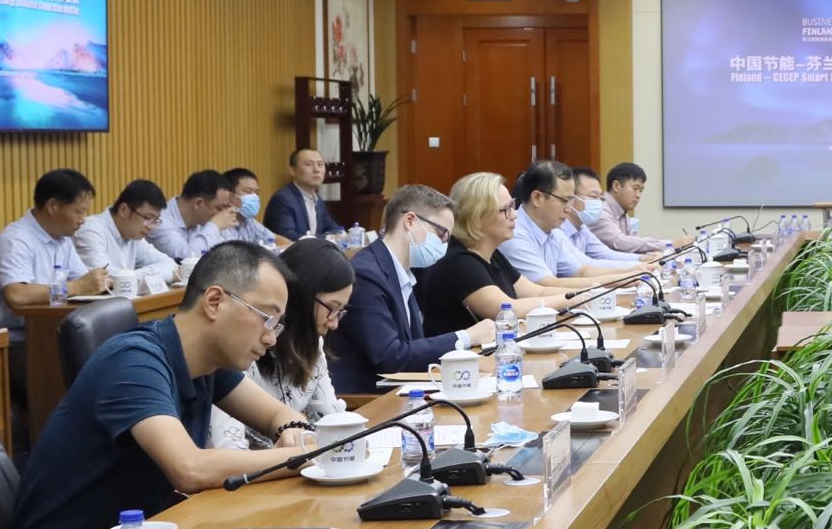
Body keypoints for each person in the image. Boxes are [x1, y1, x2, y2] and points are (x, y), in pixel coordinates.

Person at [10, 243, 320, 529]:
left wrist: (293, 429)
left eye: (276, 325)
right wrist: (302, 455)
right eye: (266, 318)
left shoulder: (208, 362)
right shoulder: (134, 362)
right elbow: (189, 468)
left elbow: (277, 414)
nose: (271, 339)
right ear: (214, 302)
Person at [329, 185, 492, 396]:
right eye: (441, 234)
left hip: (401, 392)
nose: (443, 245)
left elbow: (413, 347)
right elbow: (390, 357)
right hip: (367, 400)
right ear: (410, 221)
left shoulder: (401, 272)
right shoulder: (366, 274)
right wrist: (466, 336)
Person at [211, 238, 350, 449]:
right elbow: (228, 447)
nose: (334, 323)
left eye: (340, 312)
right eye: (332, 308)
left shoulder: (312, 345)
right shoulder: (239, 347)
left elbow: (330, 422)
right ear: (302, 295)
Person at [417, 171, 573, 336]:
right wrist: (576, 299)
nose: (514, 215)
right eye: (505, 209)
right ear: (476, 217)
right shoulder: (459, 262)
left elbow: (537, 292)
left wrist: (585, 293)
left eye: (512, 205)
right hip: (459, 352)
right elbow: (509, 309)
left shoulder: (492, 254)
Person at [0, 169, 108, 340]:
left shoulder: (63, 239)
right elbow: (16, 295)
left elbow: (83, 280)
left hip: (40, 332)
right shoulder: (16, 239)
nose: (83, 219)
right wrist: (77, 287)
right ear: (53, 206)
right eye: (79, 211)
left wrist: (101, 284)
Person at [501, 161, 639, 286]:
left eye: (571, 200)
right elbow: (547, 284)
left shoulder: (554, 233)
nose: (569, 208)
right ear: (537, 198)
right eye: (564, 200)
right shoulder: (514, 234)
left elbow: (582, 271)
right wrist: (624, 279)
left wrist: (633, 272)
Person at [72, 178, 178, 288]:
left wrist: (130, 276)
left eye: (155, 220)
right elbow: (104, 279)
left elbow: (171, 265)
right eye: (147, 218)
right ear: (123, 210)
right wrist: (149, 276)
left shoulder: (133, 235)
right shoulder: (90, 230)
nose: (151, 226)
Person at [564, 166, 645, 266]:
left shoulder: (582, 228)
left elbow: (605, 254)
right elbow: (584, 266)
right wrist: (638, 266)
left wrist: (643, 258)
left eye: (600, 197)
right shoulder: (558, 231)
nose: (599, 203)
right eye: (594, 196)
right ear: (571, 198)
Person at [147, 169, 234, 260]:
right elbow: (187, 259)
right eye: (219, 208)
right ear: (198, 203)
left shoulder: (202, 220)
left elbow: (232, 255)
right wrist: (214, 226)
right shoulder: (159, 221)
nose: (222, 213)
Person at [594, 162, 675, 256]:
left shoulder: (622, 212)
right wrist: (669, 244)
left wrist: (652, 255)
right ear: (616, 186)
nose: (638, 195)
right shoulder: (600, 210)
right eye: (635, 188)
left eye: (641, 190)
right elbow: (619, 242)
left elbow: (634, 245)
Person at [265, 148, 343, 241]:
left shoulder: (317, 199)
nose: (316, 170)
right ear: (293, 170)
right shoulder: (282, 199)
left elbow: (334, 229)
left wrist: (337, 235)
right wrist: (327, 237)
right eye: (309, 164)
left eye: (320, 164)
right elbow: (287, 236)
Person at [215, 167, 288, 249]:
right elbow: (235, 254)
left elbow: (276, 239)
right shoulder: (219, 224)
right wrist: (270, 250)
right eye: (248, 192)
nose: (254, 197)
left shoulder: (248, 221)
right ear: (229, 196)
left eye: (256, 193)